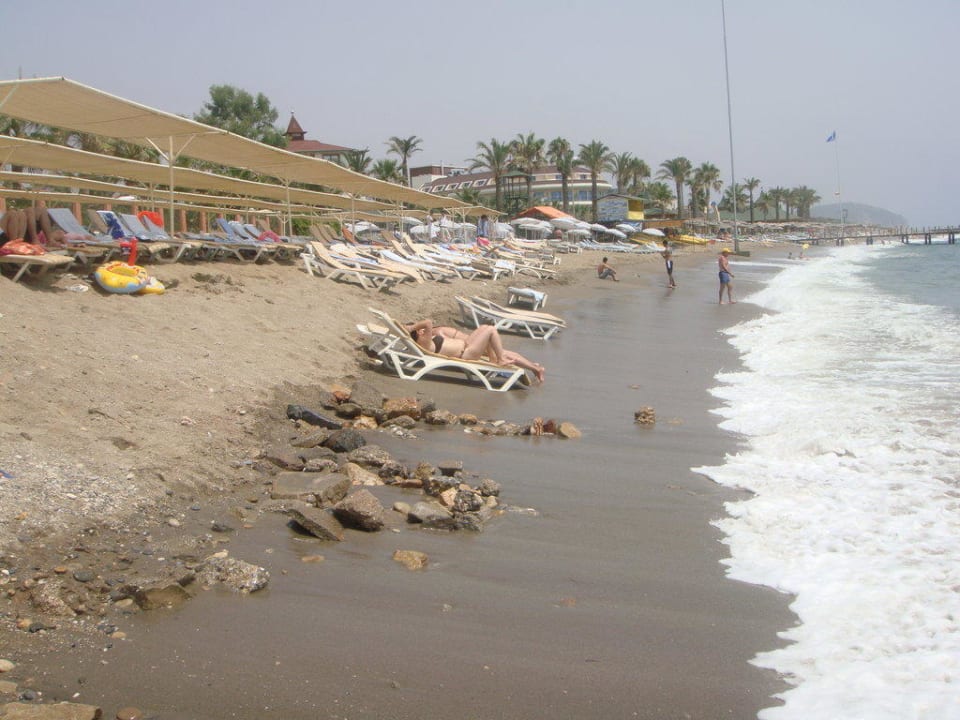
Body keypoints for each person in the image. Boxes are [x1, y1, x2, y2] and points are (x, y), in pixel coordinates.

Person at [406, 319, 545, 383]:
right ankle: (501, 359)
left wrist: (411, 328)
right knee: (491, 330)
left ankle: (496, 359)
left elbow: (427, 324)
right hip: (466, 353)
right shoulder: (423, 341)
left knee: (486, 326)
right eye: (419, 330)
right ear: (417, 333)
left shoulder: (425, 339)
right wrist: (412, 327)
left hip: (466, 345)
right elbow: (428, 322)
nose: (422, 329)